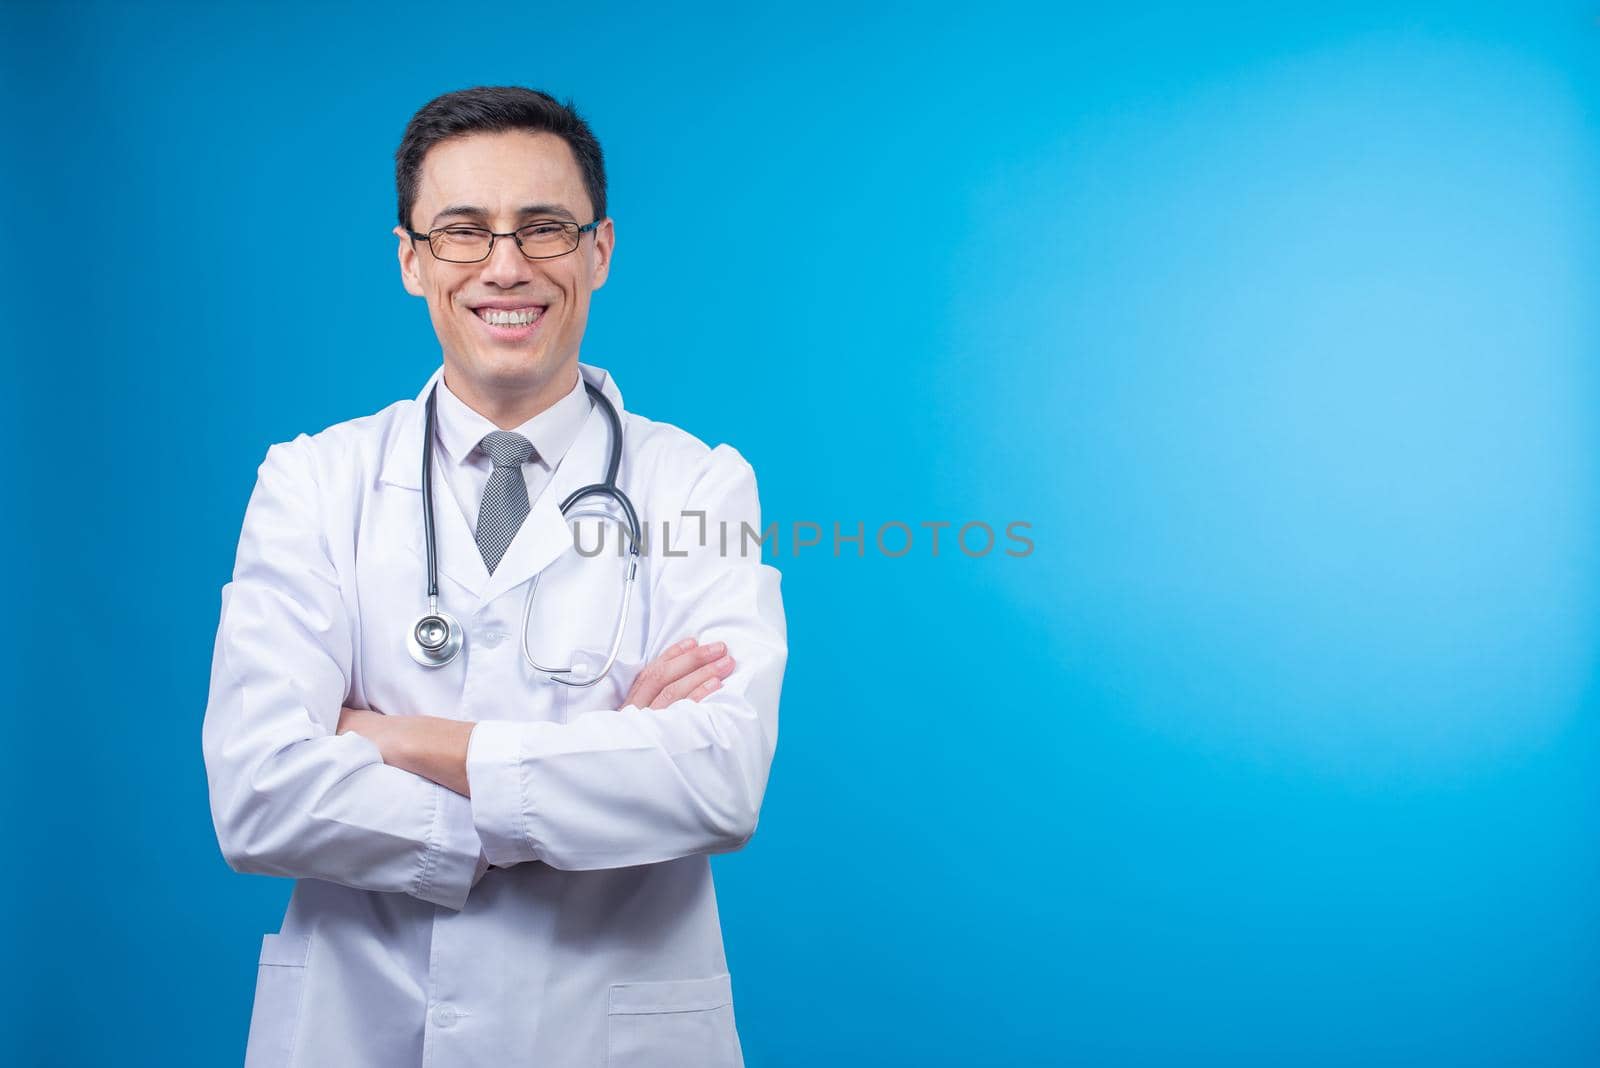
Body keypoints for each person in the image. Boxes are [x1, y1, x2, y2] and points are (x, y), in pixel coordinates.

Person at [200, 85, 787, 1068]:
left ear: (599, 250)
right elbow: (259, 794)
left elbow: (714, 784)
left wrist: (394, 738)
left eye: (544, 228)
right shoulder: (312, 479)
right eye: (463, 232)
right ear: (411, 259)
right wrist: (593, 766)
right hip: (360, 1028)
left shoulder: (697, 482)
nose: (505, 266)